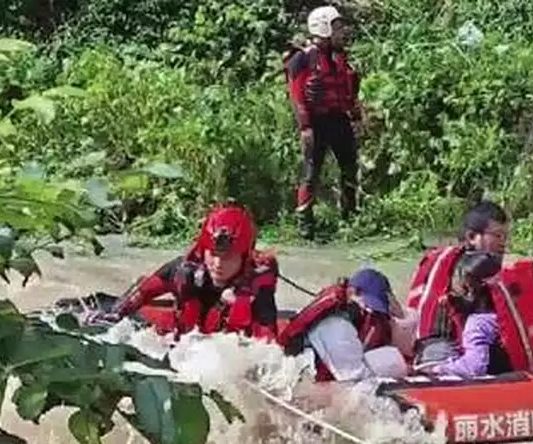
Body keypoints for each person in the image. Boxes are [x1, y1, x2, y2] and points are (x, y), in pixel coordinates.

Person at [106, 203, 279, 340]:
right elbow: (141, 291)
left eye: (228, 257)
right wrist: (112, 317)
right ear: (203, 250)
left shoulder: (258, 286)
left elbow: (268, 345)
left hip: (226, 351)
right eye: (212, 254)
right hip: (184, 346)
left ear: (244, 257)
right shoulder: (183, 270)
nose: (218, 264)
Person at [286, 5, 362, 240]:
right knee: (311, 172)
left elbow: (348, 92)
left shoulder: (340, 58)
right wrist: (305, 127)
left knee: (350, 166)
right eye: (337, 28)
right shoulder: (302, 59)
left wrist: (356, 117)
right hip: (316, 123)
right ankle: (305, 222)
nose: (342, 33)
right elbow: (297, 95)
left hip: (338, 119)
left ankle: (349, 215)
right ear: (324, 29)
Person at [279, 268, 408, 382]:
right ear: (352, 293)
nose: (368, 310)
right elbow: (353, 378)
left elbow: (400, 316)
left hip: (315, 366)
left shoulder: (351, 317)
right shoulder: (337, 325)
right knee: (391, 359)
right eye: (367, 305)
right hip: (304, 375)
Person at [405, 200, 510, 320]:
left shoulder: (441, 257)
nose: (503, 243)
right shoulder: (482, 264)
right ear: (471, 237)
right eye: (498, 236)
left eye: (505, 237)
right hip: (445, 335)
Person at [413, 251, 510, 378]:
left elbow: (474, 367)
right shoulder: (509, 311)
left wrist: (438, 368)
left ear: (468, 288)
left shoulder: (477, 324)